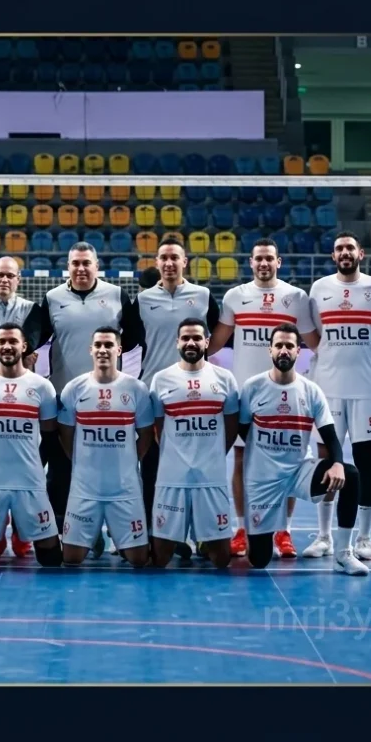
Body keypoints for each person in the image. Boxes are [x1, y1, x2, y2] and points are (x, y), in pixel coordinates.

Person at [207, 237, 318, 559]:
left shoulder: (296, 298)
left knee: (290, 462)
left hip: (286, 394)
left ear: (278, 262)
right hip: (247, 396)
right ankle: (243, 529)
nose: (264, 263)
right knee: (241, 461)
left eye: (270, 258)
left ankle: (283, 531)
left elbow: (316, 343)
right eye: (259, 258)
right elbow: (215, 343)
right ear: (251, 262)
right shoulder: (235, 296)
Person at [31, 241, 143, 540]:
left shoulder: (117, 295)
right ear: (68, 267)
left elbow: (134, 337)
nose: (81, 269)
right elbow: (36, 337)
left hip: (108, 400)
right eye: (75, 264)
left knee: (110, 465)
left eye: (86, 263)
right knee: (61, 468)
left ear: (97, 266)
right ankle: (62, 530)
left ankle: (115, 531)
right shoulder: (53, 298)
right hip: (64, 397)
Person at [237, 325, 370, 575]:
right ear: (270, 350)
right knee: (260, 560)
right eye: (279, 345)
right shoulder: (252, 387)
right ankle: (259, 536)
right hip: (263, 480)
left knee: (351, 475)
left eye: (289, 346)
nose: (283, 350)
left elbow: (330, 436)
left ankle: (343, 553)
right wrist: (266, 455)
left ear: (298, 351)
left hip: (299, 472)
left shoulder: (311, 391)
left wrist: (337, 463)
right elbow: (241, 429)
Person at [302, 232, 371, 561]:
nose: (345, 253)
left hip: (365, 391)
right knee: (327, 461)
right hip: (328, 391)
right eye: (339, 248)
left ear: (361, 253)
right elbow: (314, 337)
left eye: (350, 248)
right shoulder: (320, 289)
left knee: (365, 463)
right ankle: (324, 536)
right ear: (333, 255)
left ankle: (364, 537)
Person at [136, 236, 219, 558]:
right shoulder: (142, 300)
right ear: (157, 263)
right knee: (153, 468)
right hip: (153, 395)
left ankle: (203, 534)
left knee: (196, 469)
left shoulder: (203, 296)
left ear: (185, 262)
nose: (169, 263)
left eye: (175, 258)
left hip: (194, 398)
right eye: (164, 258)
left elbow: (217, 337)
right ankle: (152, 533)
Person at [0, 323, 63, 567]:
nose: (7, 346)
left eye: (13, 341)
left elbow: (50, 437)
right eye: (2, 342)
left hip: (30, 484)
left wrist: (36, 468)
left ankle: (18, 528)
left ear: (24, 346)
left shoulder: (42, 387)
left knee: (51, 559)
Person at [58, 327, 153, 567]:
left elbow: (145, 434)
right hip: (85, 488)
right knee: (71, 559)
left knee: (139, 560)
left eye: (109, 345)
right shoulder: (75, 388)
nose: (103, 350)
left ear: (118, 350)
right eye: (98, 345)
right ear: (90, 350)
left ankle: (115, 535)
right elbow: (66, 434)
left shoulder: (136, 389)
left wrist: (129, 462)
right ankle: (93, 536)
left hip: (124, 489)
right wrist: (81, 462)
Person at [148, 318, 239, 569]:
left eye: (197, 338)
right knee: (160, 559)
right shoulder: (161, 379)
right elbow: (157, 428)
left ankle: (201, 537)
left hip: (211, 478)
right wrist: (176, 454)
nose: (191, 343)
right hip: (172, 478)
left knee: (221, 560)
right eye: (186, 338)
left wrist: (213, 454)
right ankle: (185, 536)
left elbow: (231, 427)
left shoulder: (225, 378)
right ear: (177, 342)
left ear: (206, 342)